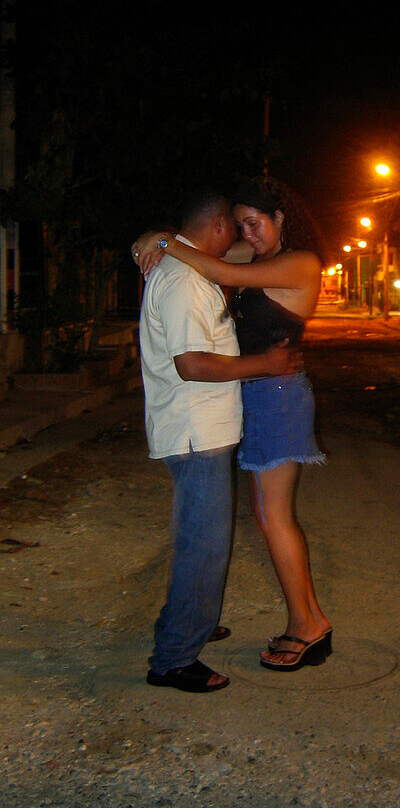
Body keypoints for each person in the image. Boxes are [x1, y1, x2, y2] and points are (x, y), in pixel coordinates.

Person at [135, 176, 330, 673]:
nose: (249, 233)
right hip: (256, 395)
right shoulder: (258, 258)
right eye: (241, 224)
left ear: (280, 218)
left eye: (256, 222)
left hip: (278, 395)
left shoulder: (299, 262)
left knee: (273, 518)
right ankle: (308, 619)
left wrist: (162, 239)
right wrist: (162, 238)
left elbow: (210, 261)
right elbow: (205, 246)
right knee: (270, 517)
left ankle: (308, 626)